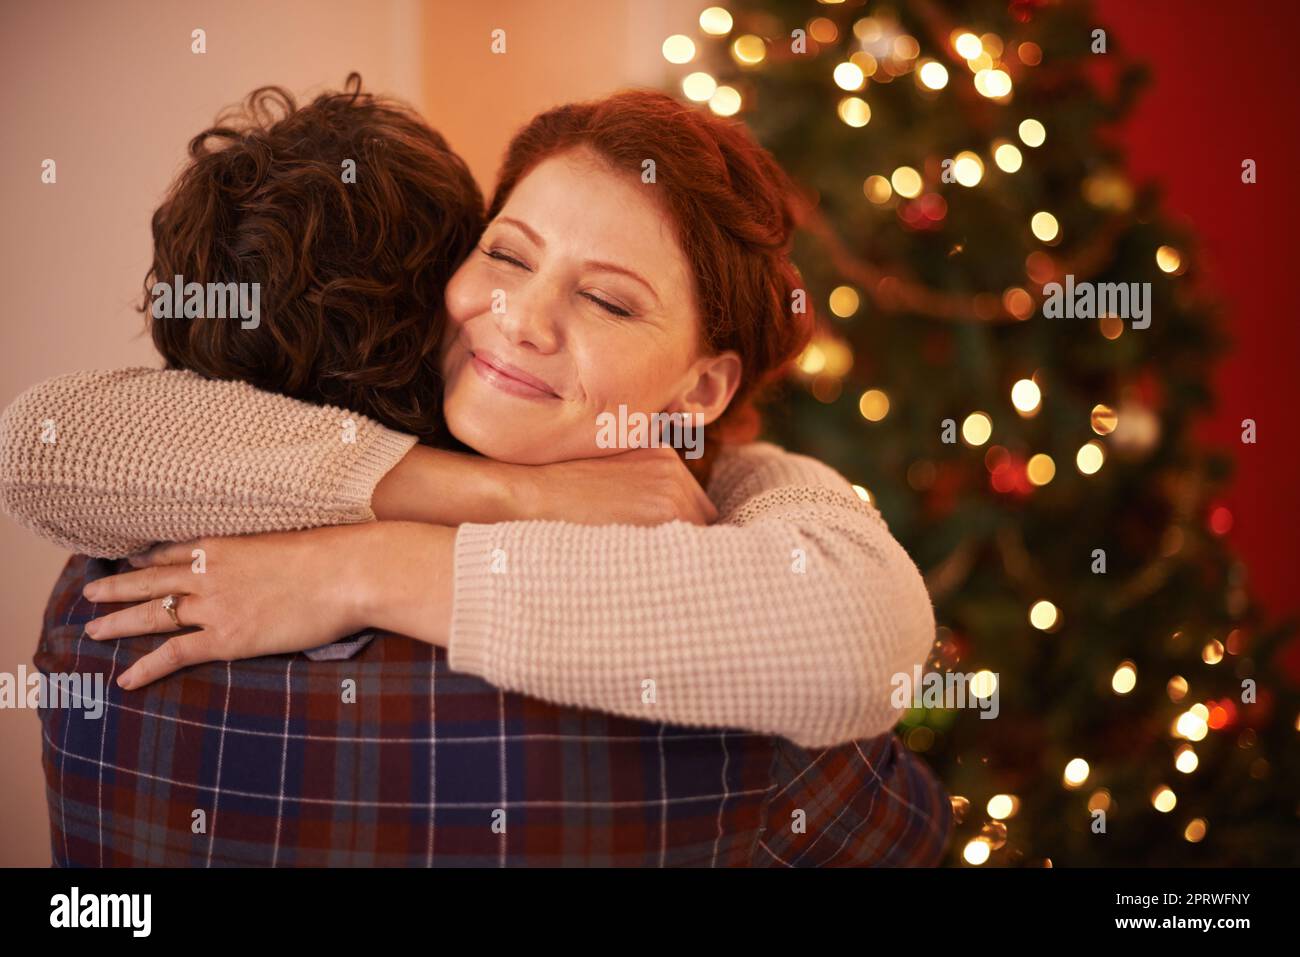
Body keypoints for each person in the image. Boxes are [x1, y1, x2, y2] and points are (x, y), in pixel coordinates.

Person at [4, 77, 951, 864]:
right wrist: (498, 501)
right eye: (506, 253)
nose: (523, 320)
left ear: (703, 384)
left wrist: (358, 567)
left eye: (610, 303)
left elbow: (864, 624)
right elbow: (41, 443)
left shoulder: (102, 599)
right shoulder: (761, 741)